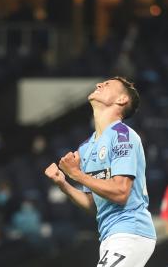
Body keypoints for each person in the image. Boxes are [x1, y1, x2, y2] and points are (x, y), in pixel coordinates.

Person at [44, 77, 156, 267]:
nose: (99, 85)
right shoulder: (86, 147)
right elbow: (94, 204)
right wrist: (63, 183)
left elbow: (120, 193)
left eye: (107, 85)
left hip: (130, 231)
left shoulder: (123, 135)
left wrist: (76, 174)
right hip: (109, 236)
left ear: (121, 100)